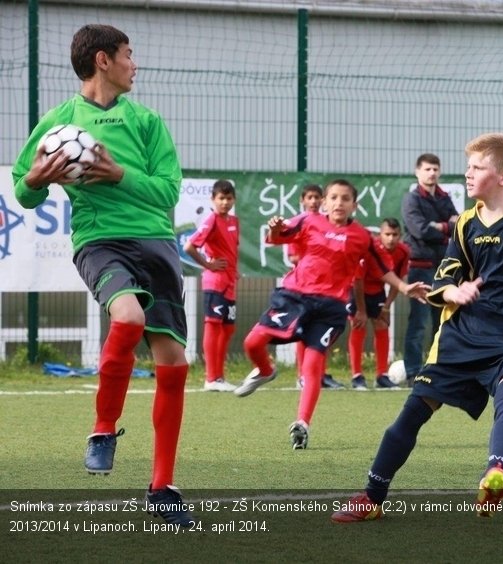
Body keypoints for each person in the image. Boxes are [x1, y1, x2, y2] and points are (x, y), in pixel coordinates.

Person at [331, 132, 503, 523]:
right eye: (468, 166)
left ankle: (496, 472)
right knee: (410, 415)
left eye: (477, 167)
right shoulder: (464, 225)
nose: (467, 174)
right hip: (460, 337)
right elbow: (445, 277)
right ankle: (372, 497)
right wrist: (454, 292)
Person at [12, 24, 196, 526]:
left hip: (156, 244)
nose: (135, 64)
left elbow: (167, 192)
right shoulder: (59, 122)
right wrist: (33, 180)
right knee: (128, 317)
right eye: (128, 55)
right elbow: (23, 188)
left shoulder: (147, 121)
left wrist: (120, 175)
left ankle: (162, 487)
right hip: (100, 241)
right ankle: (103, 427)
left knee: (174, 363)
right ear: (102, 61)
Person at [233, 179, 429, 450]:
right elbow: (278, 238)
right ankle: (266, 371)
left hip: (330, 308)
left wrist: (405, 287)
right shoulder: (308, 220)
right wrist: (275, 229)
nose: (339, 203)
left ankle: (302, 423)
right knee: (252, 342)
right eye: (334, 197)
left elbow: (383, 269)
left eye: (345, 198)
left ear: (354, 205)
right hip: (294, 296)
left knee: (313, 364)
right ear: (324, 202)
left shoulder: (362, 237)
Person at [401, 153, 459, 381]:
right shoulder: (411, 199)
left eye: (435, 169)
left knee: (442, 322)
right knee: (418, 322)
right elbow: (419, 230)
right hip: (421, 267)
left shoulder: (444, 197)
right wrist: (446, 226)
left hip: (444, 267)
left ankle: (438, 370)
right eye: (427, 169)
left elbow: (459, 225)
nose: (432, 173)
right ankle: (413, 371)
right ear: (417, 172)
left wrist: (439, 226)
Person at [183, 180, 240, 392]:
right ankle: (211, 377)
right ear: (213, 200)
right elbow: (189, 246)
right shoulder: (212, 220)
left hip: (230, 283)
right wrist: (208, 264)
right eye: (221, 198)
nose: (225, 202)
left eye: (228, 198)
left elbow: (230, 250)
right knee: (214, 325)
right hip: (215, 283)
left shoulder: (234, 221)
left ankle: (220, 376)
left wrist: (235, 271)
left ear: (234, 199)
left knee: (229, 327)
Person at [287, 184, 344, 390]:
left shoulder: (326, 223)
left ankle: (320, 373)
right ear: (302, 200)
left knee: (322, 332)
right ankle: (303, 375)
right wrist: (315, 260)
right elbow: (293, 255)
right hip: (304, 286)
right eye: (309, 197)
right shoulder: (300, 223)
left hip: (326, 288)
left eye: (317, 197)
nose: (313, 201)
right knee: (304, 331)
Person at [347, 217, 411, 390]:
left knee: (382, 325)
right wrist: (361, 310)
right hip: (356, 291)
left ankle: (381, 375)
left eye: (395, 234)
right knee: (358, 326)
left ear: (400, 235)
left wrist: (387, 306)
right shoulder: (369, 250)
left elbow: (396, 282)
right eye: (387, 234)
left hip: (377, 292)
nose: (391, 238)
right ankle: (357, 376)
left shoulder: (403, 252)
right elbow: (357, 281)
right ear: (380, 235)